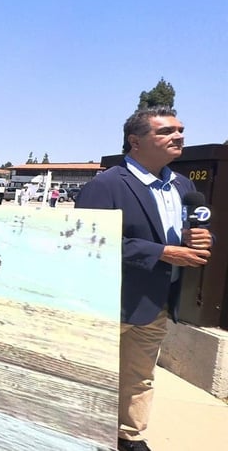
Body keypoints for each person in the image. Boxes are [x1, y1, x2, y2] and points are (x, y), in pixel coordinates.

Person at [75, 106, 212, 451]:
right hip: (111, 302)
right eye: (165, 132)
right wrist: (160, 253)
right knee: (91, 375)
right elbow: (86, 240)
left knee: (140, 376)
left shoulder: (183, 186)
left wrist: (205, 239)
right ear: (135, 142)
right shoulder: (106, 185)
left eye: (180, 129)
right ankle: (80, 432)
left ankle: (129, 438)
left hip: (158, 303)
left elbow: (192, 233)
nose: (178, 136)